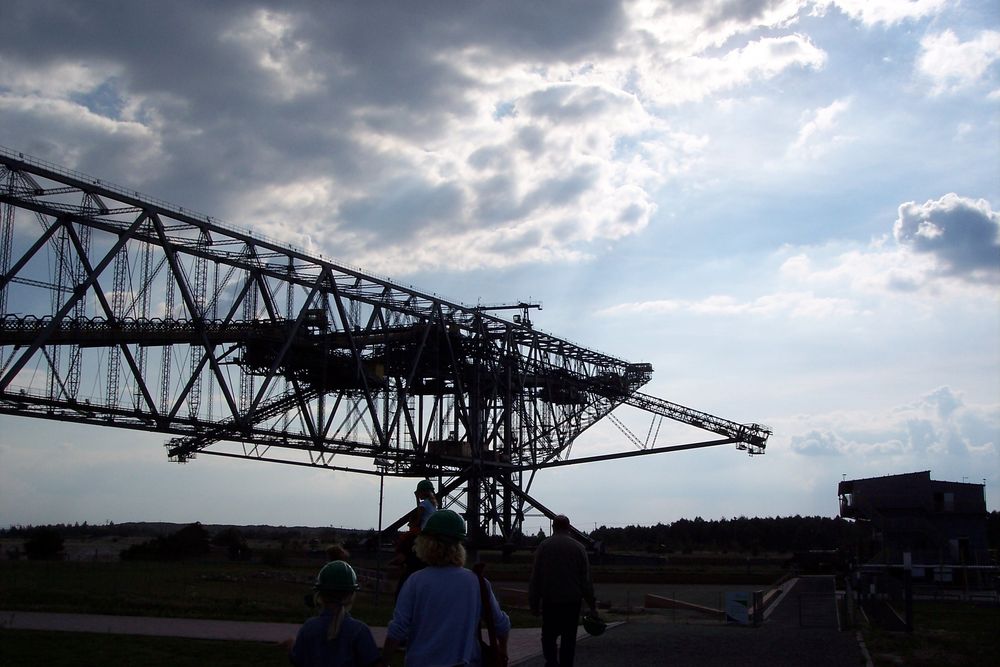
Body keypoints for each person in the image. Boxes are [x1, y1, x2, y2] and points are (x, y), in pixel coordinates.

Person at [383, 509, 511, 666]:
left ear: (426, 544)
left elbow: (398, 629)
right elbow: (502, 625)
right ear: (459, 545)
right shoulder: (477, 583)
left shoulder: (415, 582)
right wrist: (502, 650)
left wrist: (385, 661)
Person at [529, 515, 597, 667]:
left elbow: (536, 578)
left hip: (550, 601)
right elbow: (586, 580)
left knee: (548, 636)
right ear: (569, 527)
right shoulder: (578, 548)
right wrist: (592, 605)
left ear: (553, 527)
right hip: (571, 602)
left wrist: (533, 603)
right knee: (569, 638)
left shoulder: (544, 546)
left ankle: (551, 662)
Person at [289, 560, 382, 667]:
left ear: (320, 595)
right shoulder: (359, 631)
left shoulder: (308, 628)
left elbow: (297, 660)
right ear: (351, 595)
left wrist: (290, 646)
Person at [391, 509, 425, 598]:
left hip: (410, 573)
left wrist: (392, 563)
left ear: (415, 522)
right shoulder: (427, 539)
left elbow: (400, 558)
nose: (408, 525)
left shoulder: (408, 538)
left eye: (410, 522)